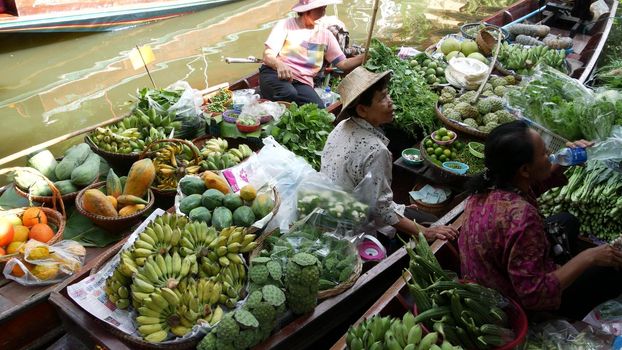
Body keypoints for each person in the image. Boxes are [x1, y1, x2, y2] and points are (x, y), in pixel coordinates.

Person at [458, 120, 622, 320]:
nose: (552, 156)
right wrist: (588, 257)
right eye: (545, 153)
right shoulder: (522, 218)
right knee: (611, 273)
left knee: (566, 221)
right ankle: (564, 314)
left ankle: (566, 269)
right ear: (525, 170)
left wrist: (562, 164)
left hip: (494, 276)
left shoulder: (489, 186)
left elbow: (531, 188)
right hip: (511, 306)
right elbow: (534, 295)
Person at [320, 67, 458, 241]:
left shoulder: (342, 126)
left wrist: (397, 207)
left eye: (387, 94)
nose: (390, 101)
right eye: (382, 98)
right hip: (352, 224)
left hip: (334, 206)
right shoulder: (376, 150)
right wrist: (426, 232)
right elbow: (381, 211)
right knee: (433, 222)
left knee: (414, 214)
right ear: (362, 110)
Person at [259, 0, 364, 107]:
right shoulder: (286, 25)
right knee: (288, 93)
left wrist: (365, 56)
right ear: (307, 10)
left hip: (302, 82)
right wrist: (279, 65)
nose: (324, 7)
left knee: (319, 110)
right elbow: (267, 55)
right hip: (275, 74)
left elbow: (343, 64)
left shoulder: (326, 35)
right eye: (319, 5)